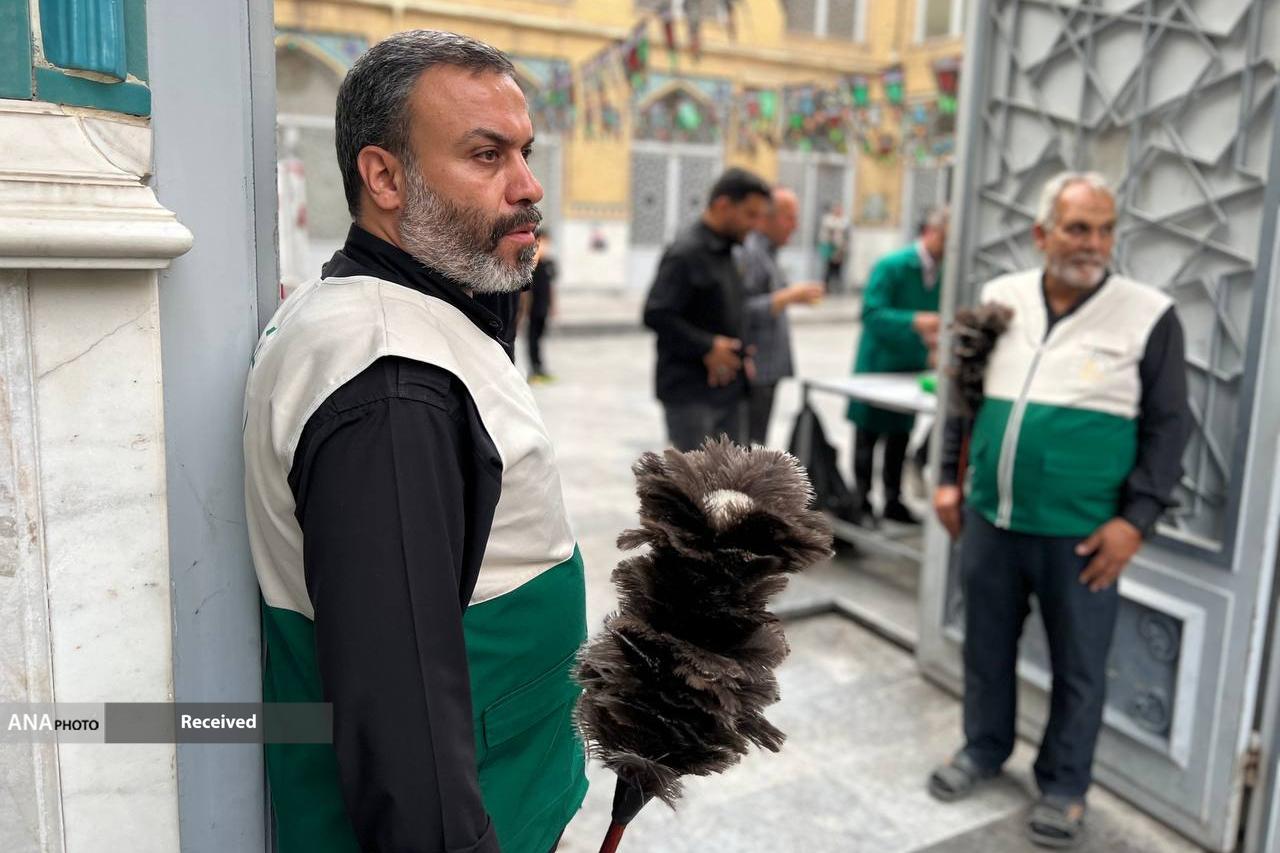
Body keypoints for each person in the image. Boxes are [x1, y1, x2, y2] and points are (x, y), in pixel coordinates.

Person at [243, 31, 588, 853]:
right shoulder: (394, 389)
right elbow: (406, 744)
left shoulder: (411, 318)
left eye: (526, 152)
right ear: (386, 178)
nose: (529, 185)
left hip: (515, 789)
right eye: (487, 155)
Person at [927, 172, 1192, 849]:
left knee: (1079, 664)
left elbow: (1170, 428)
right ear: (1042, 234)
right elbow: (964, 393)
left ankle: (1066, 785)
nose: (1093, 243)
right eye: (1078, 228)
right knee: (986, 646)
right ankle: (983, 748)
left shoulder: (1149, 314)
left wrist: (1135, 521)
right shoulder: (1002, 297)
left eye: (1105, 229)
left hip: (1083, 533)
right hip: (991, 518)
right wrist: (949, 478)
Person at [643, 167, 772, 451]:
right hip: (691, 394)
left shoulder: (728, 251)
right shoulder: (686, 253)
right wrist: (708, 346)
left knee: (734, 476)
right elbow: (656, 314)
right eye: (750, 215)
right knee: (697, 478)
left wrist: (740, 353)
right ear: (723, 205)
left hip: (729, 390)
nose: (755, 225)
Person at [846, 207, 949, 524]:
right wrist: (915, 321)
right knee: (867, 437)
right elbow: (871, 314)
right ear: (931, 232)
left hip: (911, 366)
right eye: (946, 239)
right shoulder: (892, 266)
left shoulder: (944, 272)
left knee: (900, 437)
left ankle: (894, 500)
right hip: (877, 364)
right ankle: (861, 501)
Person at [738, 186, 825, 445]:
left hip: (767, 370)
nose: (795, 226)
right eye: (790, 218)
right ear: (766, 218)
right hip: (755, 369)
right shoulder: (750, 252)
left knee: (755, 445)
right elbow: (741, 309)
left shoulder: (769, 252)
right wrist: (788, 296)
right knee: (746, 446)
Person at [522, 227, 556, 382]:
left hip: (543, 307)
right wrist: (524, 310)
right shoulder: (530, 262)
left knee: (540, 339)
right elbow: (526, 288)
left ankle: (540, 368)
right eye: (542, 242)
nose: (545, 246)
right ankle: (533, 370)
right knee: (532, 339)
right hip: (532, 308)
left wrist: (553, 306)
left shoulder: (549, 263)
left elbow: (551, 287)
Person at [817, 202, 849, 292]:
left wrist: (843, 248)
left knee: (838, 269)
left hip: (840, 249)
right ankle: (826, 287)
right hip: (830, 247)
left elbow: (845, 236)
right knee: (828, 268)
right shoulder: (828, 220)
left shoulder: (844, 221)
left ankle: (837, 288)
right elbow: (826, 235)